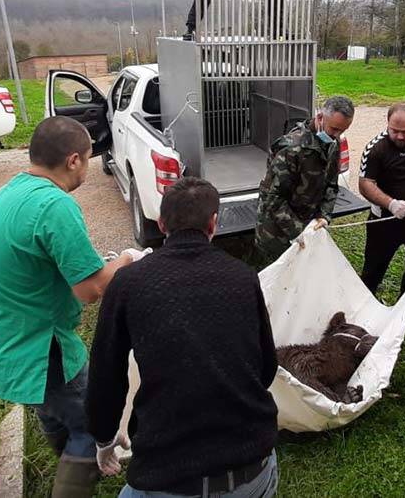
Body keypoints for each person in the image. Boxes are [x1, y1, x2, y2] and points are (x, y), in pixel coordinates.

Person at [0, 117, 143, 498]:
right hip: (35, 346)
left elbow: (56, 268)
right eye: (90, 160)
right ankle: (76, 473)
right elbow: (92, 290)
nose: (88, 170)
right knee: (93, 422)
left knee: (55, 406)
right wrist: (127, 262)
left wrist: (100, 266)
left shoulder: (13, 191)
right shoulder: (55, 205)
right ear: (73, 160)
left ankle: (69, 457)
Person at [87, 177, 280, 498]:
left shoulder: (127, 284)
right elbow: (266, 368)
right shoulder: (243, 277)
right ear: (214, 223)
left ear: (161, 223)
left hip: (168, 478)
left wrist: (104, 439)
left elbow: (105, 376)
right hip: (253, 469)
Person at [358, 103, 405, 325]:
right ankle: (366, 306)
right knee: (374, 267)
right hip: (384, 222)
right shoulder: (376, 148)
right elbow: (365, 184)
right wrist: (390, 203)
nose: (400, 136)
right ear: (387, 124)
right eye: (394, 130)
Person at [254, 95, 354, 265]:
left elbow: (331, 184)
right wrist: (297, 231)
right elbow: (273, 197)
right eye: (334, 129)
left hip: (308, 225)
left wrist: (324, 215)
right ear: (320, 117)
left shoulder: (332, 143)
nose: (337, 135)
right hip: (277, 233)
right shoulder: (292, 148)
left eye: (343, 130)